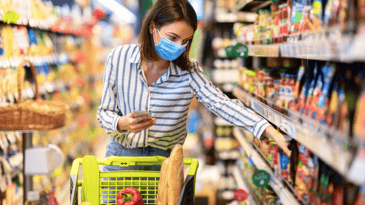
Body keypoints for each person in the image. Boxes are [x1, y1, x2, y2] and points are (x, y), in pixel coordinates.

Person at [97, 0, 291, 171]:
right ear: (152, 27)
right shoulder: (119, 58)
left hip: (165, 165)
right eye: (172, 38)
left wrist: (267, 128)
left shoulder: (189, 71)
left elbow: (221, 104)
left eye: (185, 41)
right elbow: (104, 113)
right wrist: (121, 124)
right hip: (121, 159)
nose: (178, 46)